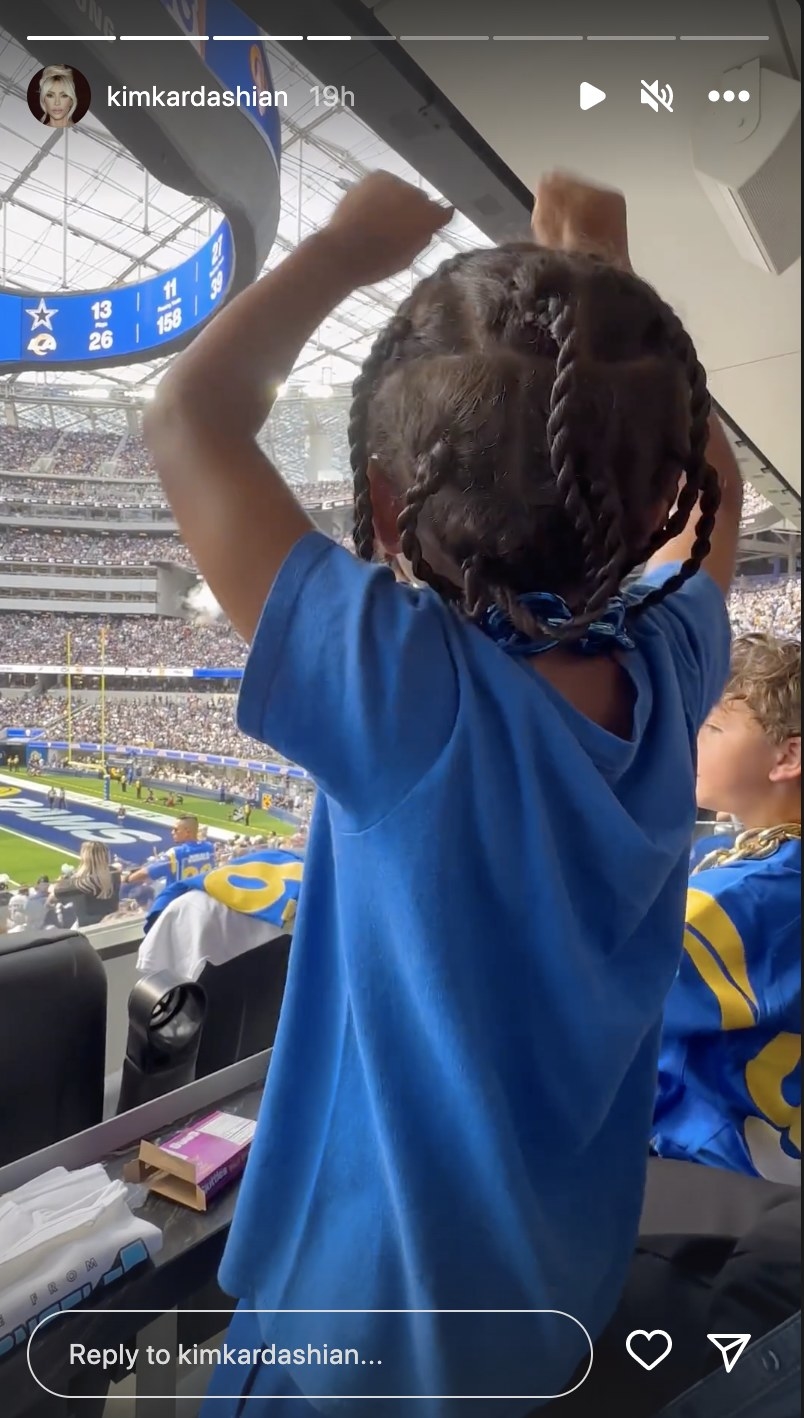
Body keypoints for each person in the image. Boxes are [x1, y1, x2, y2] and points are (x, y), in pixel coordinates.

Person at [144, 170, 743, 1416]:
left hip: (354, 1330)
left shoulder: (403, 694)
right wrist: (609, 303)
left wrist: (342, 250)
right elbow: (711, 511)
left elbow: (190, 415)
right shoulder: (672, 666)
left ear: (382, 505)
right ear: (652, 502)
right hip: (544, 1309)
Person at [653, 635, 801, 1184]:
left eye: (709, 728)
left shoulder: (763, 891)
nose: (687, 739)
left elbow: (611, 983)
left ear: (787, 756)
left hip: (714, 1175)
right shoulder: (736, 856)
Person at [123, 813, 216, 891]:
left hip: (179, 902)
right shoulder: (209, 847)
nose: (172, 832)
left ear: (187, 832)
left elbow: (147, 872)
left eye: (176, 829)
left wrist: (126, 879)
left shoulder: (176, 853)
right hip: (202, 897)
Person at [49, 843, 121, 928]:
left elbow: (52, 897)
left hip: (88, 928)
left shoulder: (78, 882)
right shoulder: (113, 873)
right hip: (113, 921)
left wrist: (57, 884)